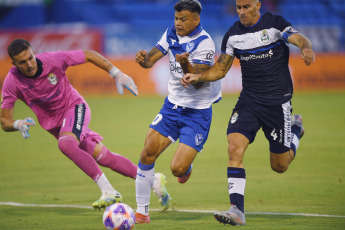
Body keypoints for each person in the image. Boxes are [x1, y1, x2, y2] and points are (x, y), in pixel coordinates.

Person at [181, 0, 315, 226]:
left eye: (246, 7)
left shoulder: (275, 24)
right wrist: (198, 76)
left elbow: (299, 38)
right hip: (249, 102)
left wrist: (306, 47)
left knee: (280, 166)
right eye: (239, 7)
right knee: (234, 146)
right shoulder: (233, 34)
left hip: (277, 103)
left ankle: (294, 131)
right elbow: (221, 69)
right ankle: (237, 210)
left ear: (257, 5)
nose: (242, 12)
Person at [0, 38, 169, 210]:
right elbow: (4, 120)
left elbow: (88, 55)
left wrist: (116, 73)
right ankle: (153, 181)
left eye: (30, 58)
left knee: (65, 144)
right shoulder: (12, 82)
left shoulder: (53, 60)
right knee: (105, 157)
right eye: (22, 62)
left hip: (74, 107)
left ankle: (109, 191)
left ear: (34, 53)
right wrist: (17, 124)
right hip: (56, 125)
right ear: (13, 64)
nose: (29, 64)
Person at [134, 0, 222, 224]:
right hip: (172, 107)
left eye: (183, 19)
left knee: (177, 169)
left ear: (196, 20)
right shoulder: (171, 33)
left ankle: (187, 165)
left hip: (197, 112)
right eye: (176, 18)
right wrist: (142, 59)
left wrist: (185, 65)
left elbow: (197, 81)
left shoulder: (205, 43)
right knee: (147, 153)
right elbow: (150, 60)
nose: (178, 23)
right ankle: (142, 213)